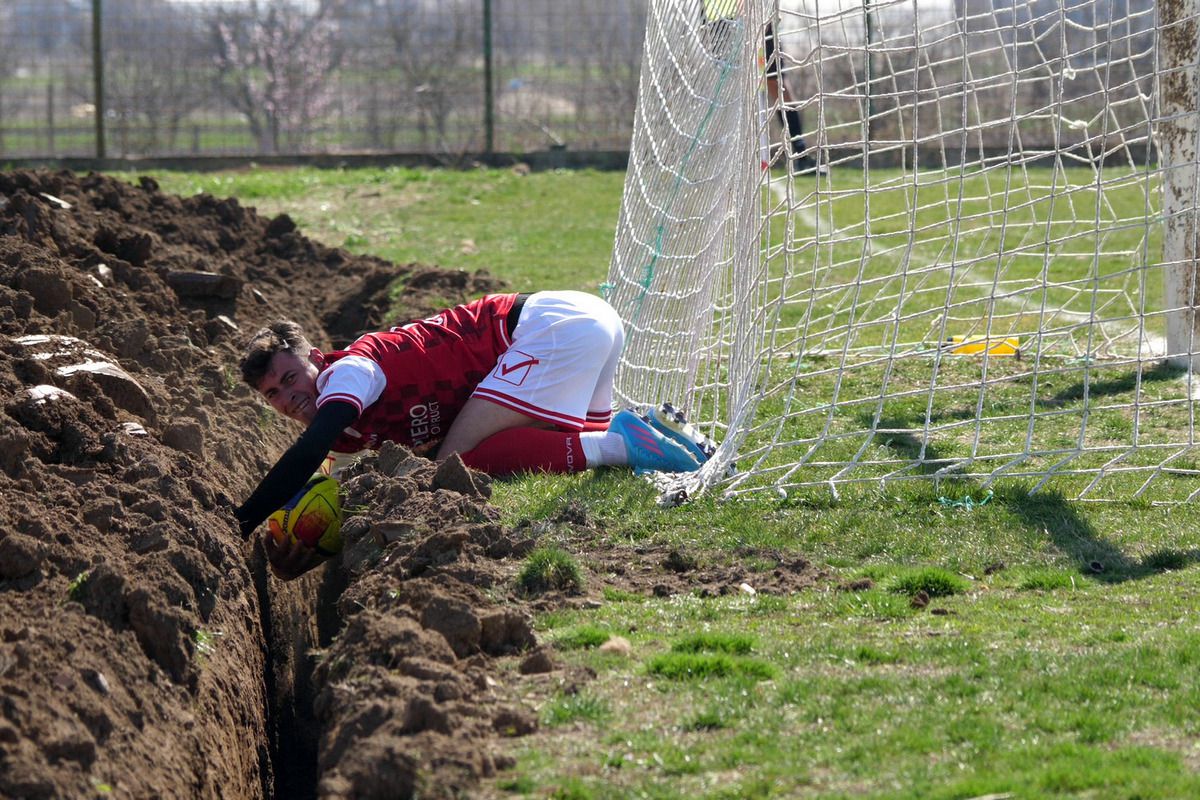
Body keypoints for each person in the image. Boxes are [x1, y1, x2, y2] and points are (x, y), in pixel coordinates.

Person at [233, 290, 712, 580]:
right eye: (273, 394)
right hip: (579, 322)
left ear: (316, 357)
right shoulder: (346, 434)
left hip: (551, 328)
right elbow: (357, 501)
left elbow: (309, 450)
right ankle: (654, 430)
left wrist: (242, 521)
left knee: (454, 465)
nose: (287, 397)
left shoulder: (349, 374)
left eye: (291, 378)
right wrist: (307, 552)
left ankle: (622, 444)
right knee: (509, 449)